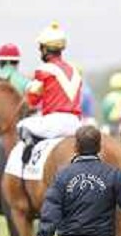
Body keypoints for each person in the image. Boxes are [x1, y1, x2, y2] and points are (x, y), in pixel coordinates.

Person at [6, 22, 82, 161]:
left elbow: (32, 100)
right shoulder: (75, 71)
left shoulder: (44, 69)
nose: (40, 51)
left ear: (46, 49)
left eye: (41, 48)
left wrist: (28, 94)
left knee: (22, 126)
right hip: (76, 124)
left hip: (54, 123)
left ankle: (29, 160)